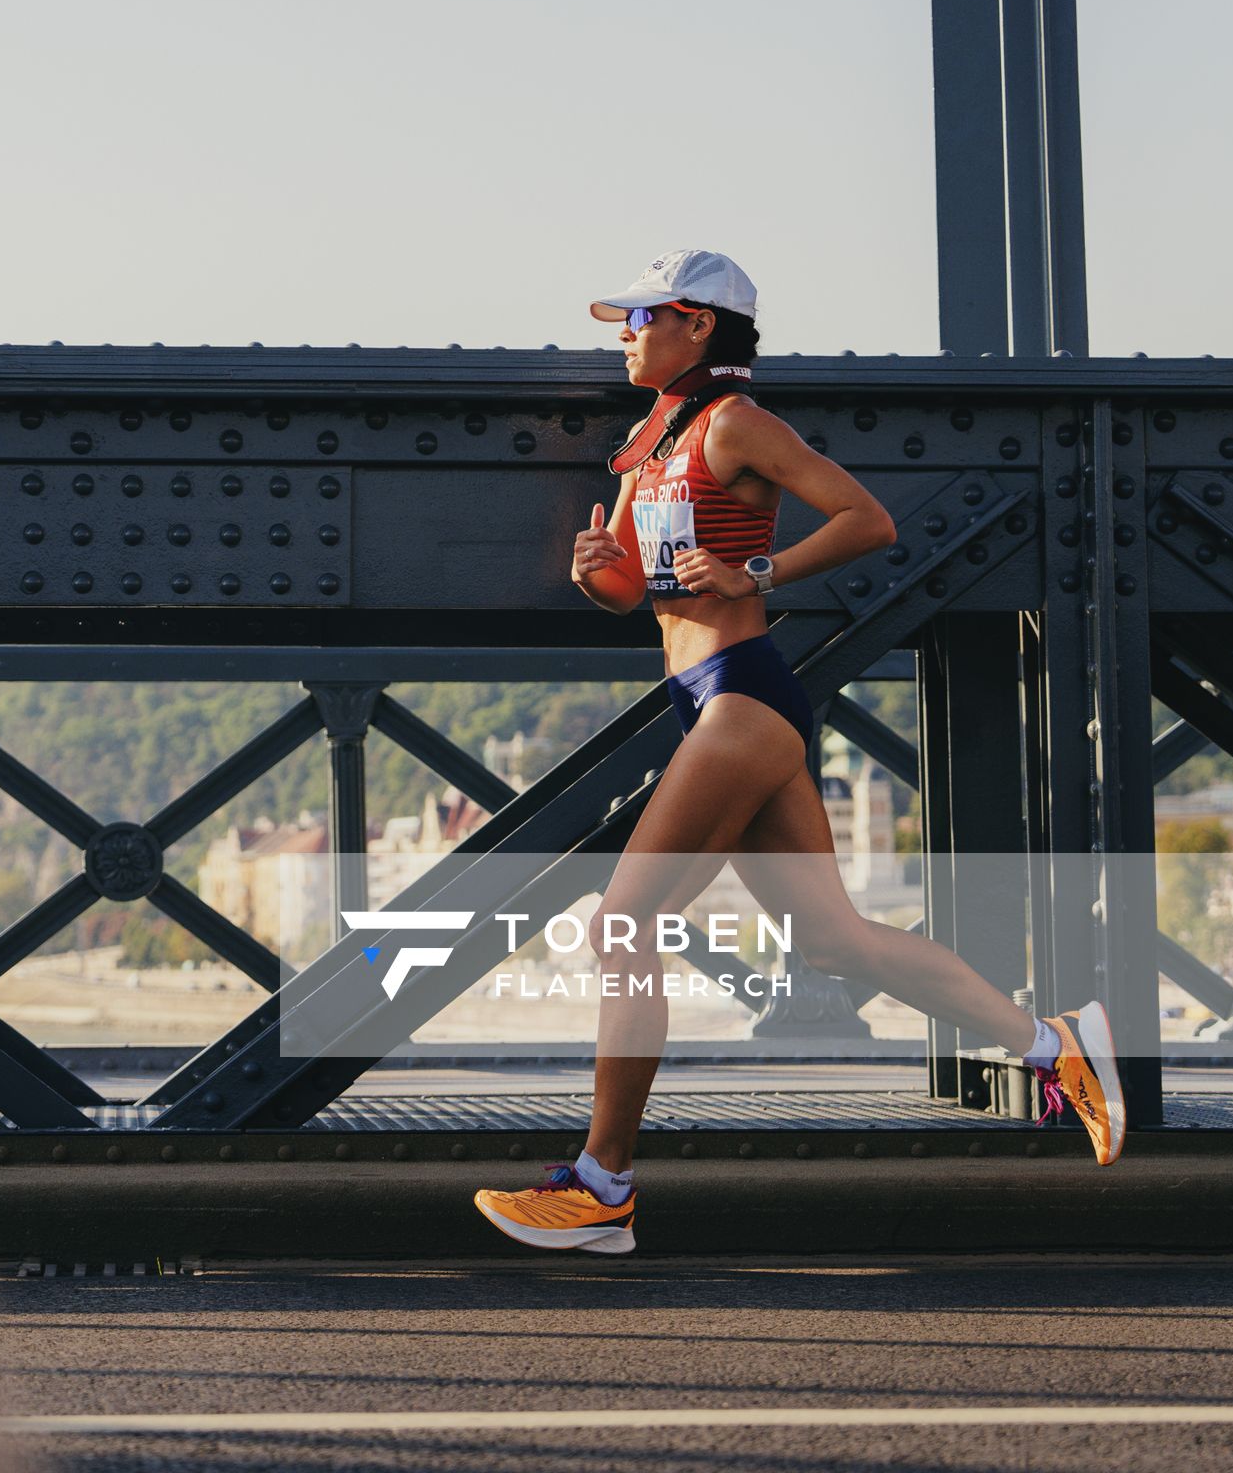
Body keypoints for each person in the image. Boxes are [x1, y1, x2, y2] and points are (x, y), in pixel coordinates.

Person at [474, 249, 1124, 1255]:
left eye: (641, 318)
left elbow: (867, 519)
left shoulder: (734, 423)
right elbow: (647, 598)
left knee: (619, 927)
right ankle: (1054, 1045)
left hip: (741, 696)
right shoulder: (649, 445)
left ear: (697, 325)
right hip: (709, 695)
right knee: (833, 942)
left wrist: (756, 570)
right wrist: (598, 575)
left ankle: (602, 1186)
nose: (623, 334)